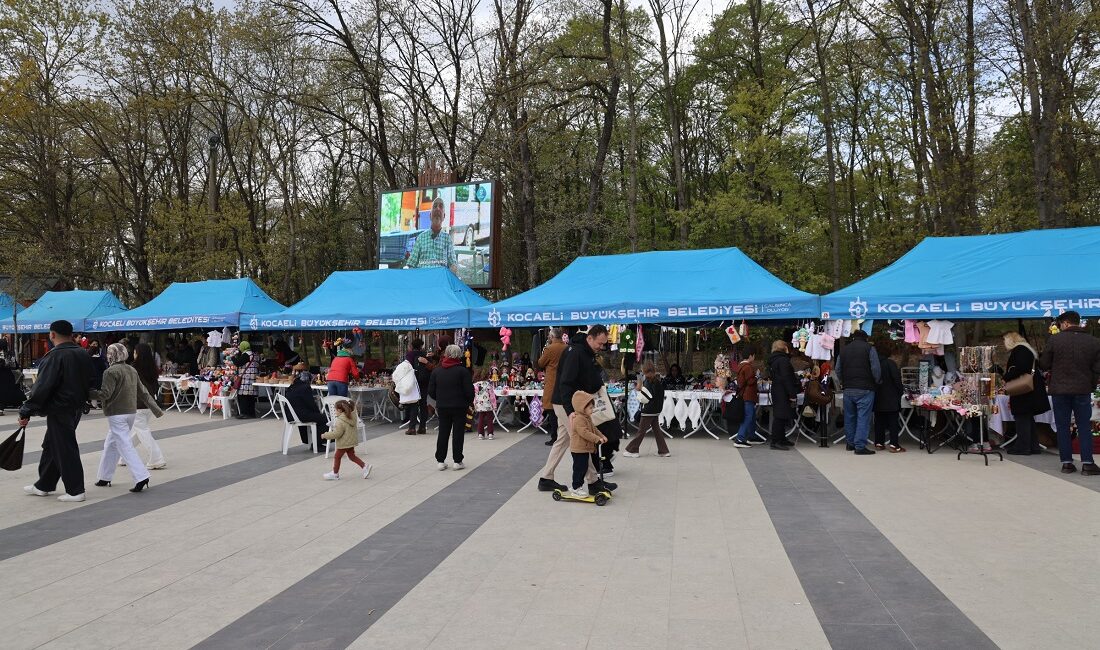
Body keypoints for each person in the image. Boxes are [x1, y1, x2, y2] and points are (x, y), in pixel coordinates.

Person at [19, 320, 95, 503]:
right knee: (52, 445)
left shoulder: (54, 356)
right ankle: (44, 484)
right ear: (71, 334)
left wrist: (27, 409)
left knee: (64, 447)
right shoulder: (83, 354)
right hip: (75, 407)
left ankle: (76, 490)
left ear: (52, 335)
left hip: (59, 408)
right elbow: (92, 381)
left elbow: (43, 386)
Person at [538, 325, 616, 494]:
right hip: (566, 404)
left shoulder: (585, 352)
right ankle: (593, 482)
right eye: (600, 343)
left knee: (562, 441)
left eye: (604, 345)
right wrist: (570, 411)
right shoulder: (575, 353)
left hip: (570, 403)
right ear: (590, 338)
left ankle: (546, 478)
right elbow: (565, 383)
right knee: (582, 441)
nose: (601, 347)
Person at [89, 343, 164, 493]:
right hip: (131, 412)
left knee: (124, 445)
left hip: (116, 413)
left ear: (111, 355)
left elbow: (105, 394)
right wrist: (156, 410)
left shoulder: (110, 372)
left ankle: (141, 476)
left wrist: (88, 393)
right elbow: (143, 392)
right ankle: (104, 476)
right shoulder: (131, 369)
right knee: (111, 444)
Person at [1038, 311, 1100, 474]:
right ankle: (1087, 463)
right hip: (1082, 389)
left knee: (1062, 426)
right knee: (1084, 425)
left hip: (1060, 389)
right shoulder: (1094, 342)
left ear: (1065, 323)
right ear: (1077, 323)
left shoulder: (1055, 340)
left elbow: (1044, 364)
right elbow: (1097, 369)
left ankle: (1066, 463)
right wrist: (1091, 385)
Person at [428, 344, 474, 470]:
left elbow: (431, 391)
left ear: (446, 355)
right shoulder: (463, 371)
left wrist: (440, 398)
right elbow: (469, 391)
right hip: (460, 406)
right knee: (458, 433)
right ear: (458, 355)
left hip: (442, 406)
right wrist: (468, 401)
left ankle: (440, 461)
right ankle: (457, 461)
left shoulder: (437, 371)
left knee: (443, 432)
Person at [836, 330, 882, 455]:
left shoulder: (844, 350)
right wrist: (877, 381)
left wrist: (843, 381)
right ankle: (860, 446)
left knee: (849, 417)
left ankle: (850, 443)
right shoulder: (869, 348)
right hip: (865, 388)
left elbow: (838, 369)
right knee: (863, 418)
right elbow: (875, 368)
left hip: (848, 388)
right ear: (865, 338)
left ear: (853, 338)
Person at [1003, 332, 1049, 456]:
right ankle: (1033, 446)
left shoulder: (1020, 351)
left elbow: (1020, 368)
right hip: (1031, 389)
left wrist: (1006, 376)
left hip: (1024, 391)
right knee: (1027, 418)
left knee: (1022, 417)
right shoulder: (1026, 350)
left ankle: (1023, 447)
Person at [129, 343, 167, 469]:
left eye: (135, 352)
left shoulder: (133, 368)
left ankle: (156, 458)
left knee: (142, 432)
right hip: (149, 404)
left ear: (138, 354)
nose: (133, 354)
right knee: (138, 432)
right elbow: (155, 387)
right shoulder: (152, 368)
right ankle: (124, 455)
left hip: (137, 405)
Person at [622, 361, 669, 457]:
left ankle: (633, 450)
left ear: (644, 371)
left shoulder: (647, 382)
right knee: (657, 431)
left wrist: (639, 382)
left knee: (641, 431)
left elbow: (641, 394)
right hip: (656, 410)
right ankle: (663, 450)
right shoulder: (658, 381)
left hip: (647, 410)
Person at [567, 391, 608, 498]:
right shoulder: (578, 419)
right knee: (580, 469)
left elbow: (594, 429)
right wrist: (596, 439)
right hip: (578, 449)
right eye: (590, 408)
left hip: (584, 449)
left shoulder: (586, 417)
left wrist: (601, 436)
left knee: (583, 467)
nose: (592, 410)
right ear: (582, 407)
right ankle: (576, 488)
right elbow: (584, 432)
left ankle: (578, 486)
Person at [321, 399, 372, 480]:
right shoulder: (352, 416)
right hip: (351, 441)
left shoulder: (340, 421)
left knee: (337, 456)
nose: (335, 412)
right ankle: (365, 466)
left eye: (335, 410)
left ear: (340, 410)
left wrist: (325, 435)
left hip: (344, 443)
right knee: (352, 456)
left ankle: (335, 473)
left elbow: (337, 433)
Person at [406, 196, 457, 273]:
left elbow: (453, 265)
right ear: (430, 216)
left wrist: (446, 280)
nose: (437, 209)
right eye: (435, 206)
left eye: (441, 206)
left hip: (441, 283)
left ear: (444, 216)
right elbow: (411, 264)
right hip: (423, 281)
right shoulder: (421, 238)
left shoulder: (447, 239)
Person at [872, 340, 906, 452]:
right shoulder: (890, 363)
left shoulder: (873, 364)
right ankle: (893, 444)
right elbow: (897, 380)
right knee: (893, 422)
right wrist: (901, 392)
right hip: (891, 396)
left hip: (877, 396)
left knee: (879, 421)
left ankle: (878, 442)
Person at [767, 340, 799, 451]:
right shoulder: (783, 360)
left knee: (782, 415)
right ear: (784, 348)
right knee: (780, 416)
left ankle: (781, 438)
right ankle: (775, 441)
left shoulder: (774, 360)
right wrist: (792, 393)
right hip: (783, 391)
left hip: (777, 389)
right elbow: (787, 378)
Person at [537, 328, 567, 446]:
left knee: (552, 410)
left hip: (552, 382)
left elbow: (540, 363)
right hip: (564, 380)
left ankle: (555, 436)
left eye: (549, 336)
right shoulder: (566, 347)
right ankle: (564, 435)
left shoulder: (549, 348)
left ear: (552, 337)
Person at [732, 348, 759, 447]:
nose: (754, 358)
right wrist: (756, 377)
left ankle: (752, 436)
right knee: (748, 416)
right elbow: (750, 381)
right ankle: (740, 438)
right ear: (751, 356)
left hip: (744, 394)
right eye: (754, 356)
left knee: (751, 416)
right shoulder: (748, 367)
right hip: (749, 395)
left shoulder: (740, 366)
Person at [403, 339, 430, 435]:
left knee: (413, 403)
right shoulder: (424, 354)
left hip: (414, 381)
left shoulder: (410, 354)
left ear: (412, 345)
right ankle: (422, 427)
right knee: (423, 404)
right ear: (421, 346)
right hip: (424, 382)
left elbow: (407, 367)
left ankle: (412, 428)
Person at [235, 341, 260, 419]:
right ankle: (251, 413)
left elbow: (238, 363)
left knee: (243, 396)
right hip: (253, 378)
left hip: (246, 379)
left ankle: (244, 413)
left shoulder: (246, 355)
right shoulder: (254, 354)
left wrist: (232, 357)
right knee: (251, 397)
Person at [0, 340, 24, 414]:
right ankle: (18, 404)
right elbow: (15, 365)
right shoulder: (10, 354)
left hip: (2, 375)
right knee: (9, 391)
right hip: (8, 376)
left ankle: (1, 408)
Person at [472, 368, 496, 440]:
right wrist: (494, 405)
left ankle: (480, 434)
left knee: (481, 419)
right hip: (488, 404)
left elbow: (474, 396)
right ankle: (490, 433)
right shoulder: (489, 385)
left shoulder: (475, 385)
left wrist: (474, 404)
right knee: (489, 419)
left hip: (479, 404)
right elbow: (492, 396)